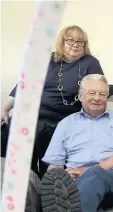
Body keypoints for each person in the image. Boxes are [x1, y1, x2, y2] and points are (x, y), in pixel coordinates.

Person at [22, 74, 113, 212]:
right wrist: (64, 175)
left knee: (93, 175)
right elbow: (54, 166)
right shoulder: (66, 123)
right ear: (80, 96)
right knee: (50, 186)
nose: (97, 97)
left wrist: (87, 170)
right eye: (92, 93)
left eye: (102, 94)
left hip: (112, 174)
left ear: (107, 98)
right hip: (74, 179)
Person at [1, 25, 104, 178]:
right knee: (9, 129)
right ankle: (20, 180)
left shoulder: (90, 62)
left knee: (44, 133)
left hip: (65, 118)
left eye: (80, 42)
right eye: (70, 40)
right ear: (61, 42)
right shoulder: (46, 60)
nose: (75, 44)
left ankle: (45, 181)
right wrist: (5, 109)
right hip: (35, 113)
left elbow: (98, 88)